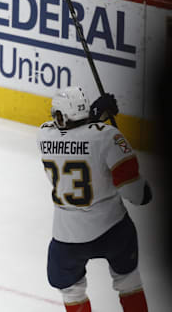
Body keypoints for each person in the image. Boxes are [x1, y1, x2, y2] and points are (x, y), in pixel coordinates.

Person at [36, 86, 152, 312]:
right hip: (112, 230)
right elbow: (137, 195)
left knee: (72, 290)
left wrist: (95, 115)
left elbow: (71, 134)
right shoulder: (108, 137)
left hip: (67, 237)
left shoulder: (44, 135)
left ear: (59, 116)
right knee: (128, 280)